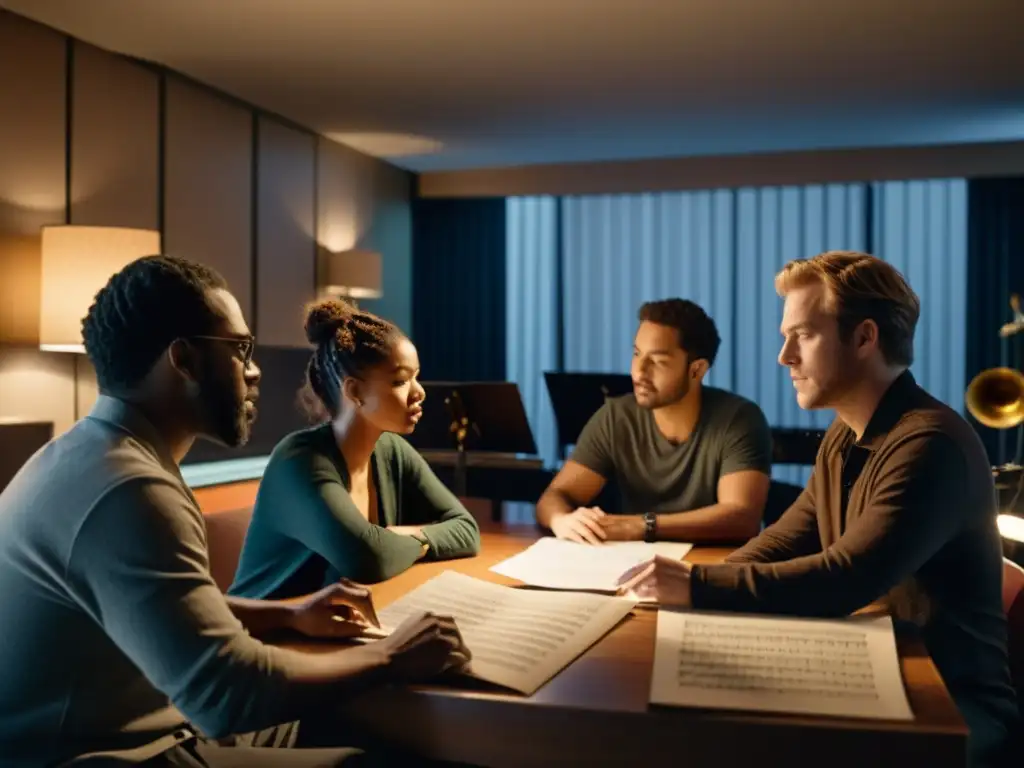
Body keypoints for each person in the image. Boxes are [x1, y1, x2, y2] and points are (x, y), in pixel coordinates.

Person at [0, 255, 469, 767]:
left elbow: (166, 614)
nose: (255, 368)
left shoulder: (89, 458)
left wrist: (290, 614)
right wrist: (392, 657)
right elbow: (226, 696)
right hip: (113, 755)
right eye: (240, 348)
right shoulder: (129, 489)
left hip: (151, 727)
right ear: (184, 360)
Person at [617, 252, 1019, 767]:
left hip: (955, 709)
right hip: (890, 666)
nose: (784, 356)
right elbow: (789, 538)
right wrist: (688, 581)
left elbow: (846, 576)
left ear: (865, 338)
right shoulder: (845, 433)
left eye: (802, 335)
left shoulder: (930, 443)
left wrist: (695, 587)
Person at [229, 298, 481, 600]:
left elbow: (467, 530)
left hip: (332, 627)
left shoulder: (392, 451)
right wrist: (422, 539)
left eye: (416, 377)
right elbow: (368, 559)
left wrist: (403, 539)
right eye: (401, 380)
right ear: (355, 391)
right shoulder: (299, 462)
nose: (420, 392)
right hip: (258, 634)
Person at [535, 298, 772, 545]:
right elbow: (555, 496)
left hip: (708, 569)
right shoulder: (616, 416)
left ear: (697, 370)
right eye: (637, 354)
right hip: (627, 565)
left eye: (658, 361)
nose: (639, 372)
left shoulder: (739, 419)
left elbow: (742, 517)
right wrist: (562, 520)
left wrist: (642, 526)